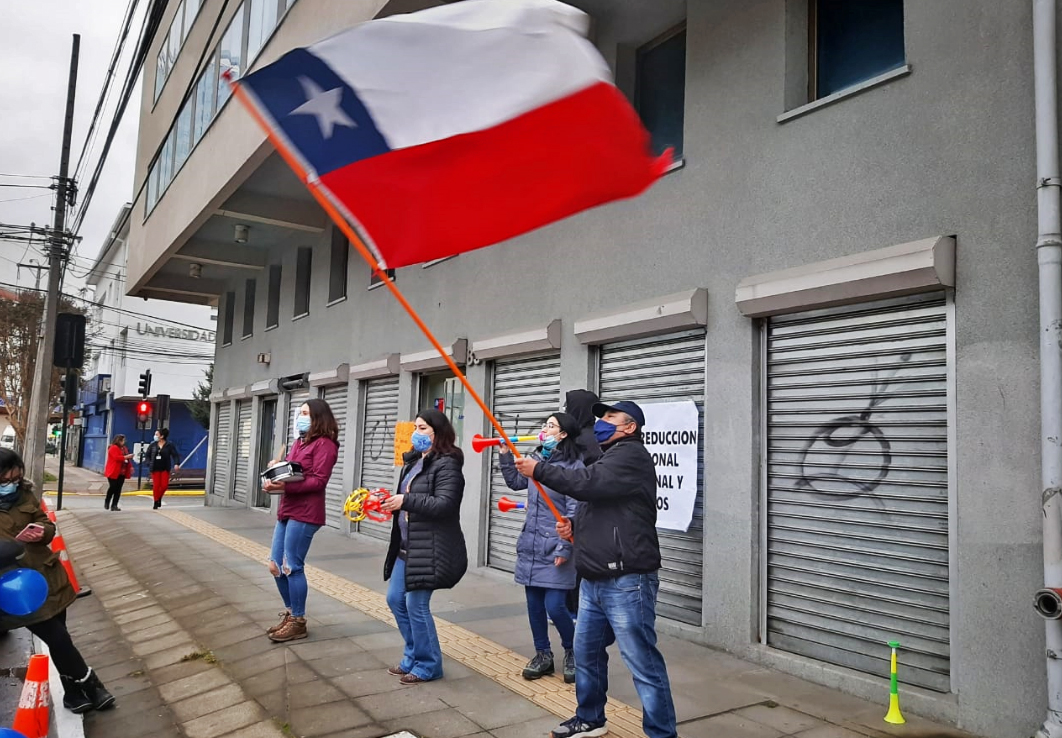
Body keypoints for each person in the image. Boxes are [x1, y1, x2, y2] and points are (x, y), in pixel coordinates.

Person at [514, 400, 677, 738]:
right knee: (586, 653)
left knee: (642, 661)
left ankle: (662, 733)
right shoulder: (608, 457)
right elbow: (603, 509)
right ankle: (590, 718)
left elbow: (588, 483)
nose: (602, 421)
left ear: (630, 427)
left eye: (611, 417)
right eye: (601, 416)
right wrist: (573, 527)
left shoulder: (631, 456)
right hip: (594, 577)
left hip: (627, 579)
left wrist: (539, 470)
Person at [0, 449, 115, 714]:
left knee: (60, 638)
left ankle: (73, 694)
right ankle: (91, 683)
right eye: (6, 480)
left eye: (16, 479)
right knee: (57, 637)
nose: (12, 485)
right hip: (17, 590)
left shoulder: (25, 494)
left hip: (48, 577)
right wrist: (10, 547)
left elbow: (45, 523)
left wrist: (42, 532)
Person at [381, 408, 467, 685]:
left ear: (437, 432)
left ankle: (429, 665)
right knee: (395, 600)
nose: (416, 434)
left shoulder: (448, 464)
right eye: (415, 428)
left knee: (416, 605)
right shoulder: (415, 462)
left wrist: (405, 501)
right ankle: (412, 656)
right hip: (407, 546)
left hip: (430, 548)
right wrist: (388, 503)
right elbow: (406, 498)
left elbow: (445, 504)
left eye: (422, 428)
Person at [499, 412, 582, 683]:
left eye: (551, 426)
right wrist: (505, 455)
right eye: (545, 424)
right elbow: (516, 482)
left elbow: (574, 511)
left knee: (555, 606)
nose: (545, 429)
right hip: (532, 545)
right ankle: (542, 655)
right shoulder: (535, 460)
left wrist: (564, 548)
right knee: (534, 606)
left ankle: (573, 651)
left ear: (564, 434)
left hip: (556, 544)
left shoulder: (573, 467)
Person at [262, 398, 340, 642]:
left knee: (291, 566)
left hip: (306, 512)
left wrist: (284, 487)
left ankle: (298, 620)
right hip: (288, 509)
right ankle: (290, 613)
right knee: (275, 565)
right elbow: (292, 471)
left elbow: (318, 481)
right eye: (300, 413)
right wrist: (276, 471)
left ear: (318, 417)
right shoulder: (299, 442)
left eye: (305, 413)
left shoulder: (325, 445)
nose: (300, 418)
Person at [562, 389, 602, 619]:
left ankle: (573, 610)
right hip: (588, 510)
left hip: (577, 510)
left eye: (568, 407)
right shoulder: (597, 436)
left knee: (573, 560)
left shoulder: (580, 441)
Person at [145, 428, 181, 509]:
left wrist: (176, 463)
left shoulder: (169, 445)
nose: (155, 436)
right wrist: (148, 463)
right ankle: (156, 501)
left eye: (157, 434)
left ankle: (159, 497)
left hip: (165, 468)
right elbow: (147, 455)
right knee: (156, 486)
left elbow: (175, 455)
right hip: (155, 467)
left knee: (164, 486)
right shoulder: (152, 444)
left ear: (162, 436)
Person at [103, 434, 134, 511]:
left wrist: (130, 466)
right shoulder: (113, 448)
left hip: (122, 471)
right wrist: (126, 457)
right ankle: (107, 501)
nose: (124, 442)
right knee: (113, 487)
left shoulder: (124, 448)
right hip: (113, 471)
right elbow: (116, 458)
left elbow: (127, 460)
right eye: (122, 440)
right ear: (118, 441)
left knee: (118, 489)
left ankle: (114, 505)